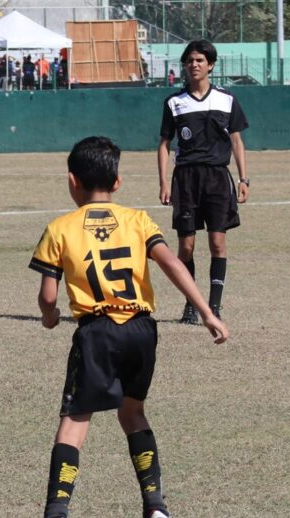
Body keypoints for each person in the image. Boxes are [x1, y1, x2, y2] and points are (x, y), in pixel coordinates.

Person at [30, 136, 228, 518]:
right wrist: (206, 311)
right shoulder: (138, 220)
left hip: (97, 331)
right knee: (133, 413)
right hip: (141, 329)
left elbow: (48, 297)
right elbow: (172, 263)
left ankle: (57, 510)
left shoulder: (60, 228)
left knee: (74, 421)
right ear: (117, 182)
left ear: (72, 181)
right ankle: (155, 507)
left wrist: (49, 317)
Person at [156, 39, 249, 324]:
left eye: (199, 60)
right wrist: (164, 183)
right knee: (186, 247)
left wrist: (244, 178)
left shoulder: (227, 99)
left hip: (218, 179)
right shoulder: (174, 102)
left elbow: (236, 140)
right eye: (189, 61)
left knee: (218, 244)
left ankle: (215, 307)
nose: (194, 65)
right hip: (185, 179)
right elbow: (164, 144)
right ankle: (190, 305)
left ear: (210, 65)